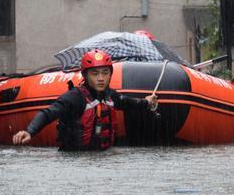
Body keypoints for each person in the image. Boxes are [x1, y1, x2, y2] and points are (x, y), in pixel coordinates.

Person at [12, 49, 158, 151]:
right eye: (95, 74)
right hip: (74, 159)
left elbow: (127, 103)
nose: (101, 78)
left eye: (105, 73)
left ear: (110, 75)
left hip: (100, 159)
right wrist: (30, 131)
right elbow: (48, 113)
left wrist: (146, 102)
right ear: (86, 76)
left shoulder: (110, 95)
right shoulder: (75, 97)